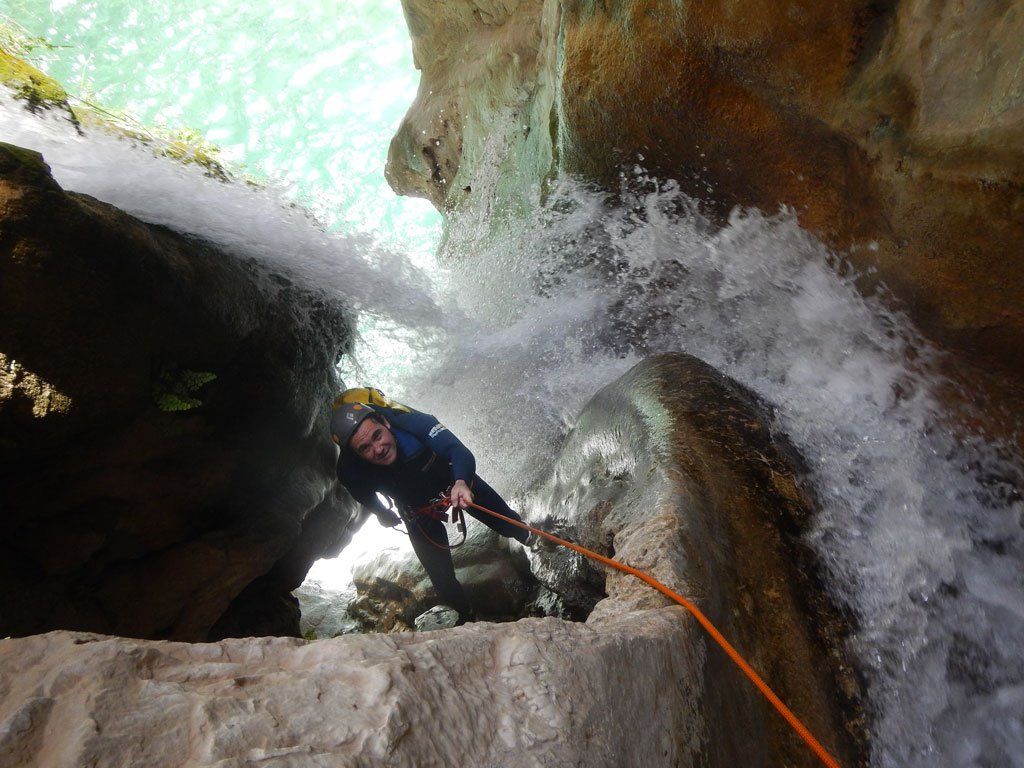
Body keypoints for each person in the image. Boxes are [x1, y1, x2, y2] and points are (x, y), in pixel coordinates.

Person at [329, 389, 531, 624]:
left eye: (377, 435)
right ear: (355, 454)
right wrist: (382, 513)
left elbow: (458, 451)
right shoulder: (350, 471)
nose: (378, 448)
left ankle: (532, 539)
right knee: (442, 580)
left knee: (509, 522)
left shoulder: (416, 424)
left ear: (386, 422)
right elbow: (362, 493)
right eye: (365, 448)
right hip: (417, 510)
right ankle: (467, 619)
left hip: (453, 483)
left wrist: (461, 481)